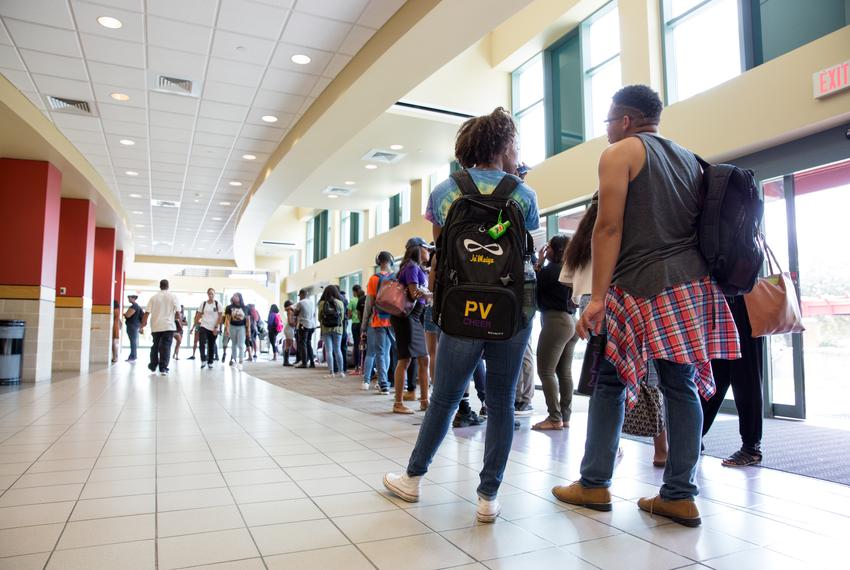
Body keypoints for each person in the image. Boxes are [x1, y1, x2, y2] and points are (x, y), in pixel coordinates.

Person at [552, 85, 740, 528]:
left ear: (624, 120)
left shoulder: (621, 153)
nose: (606, 131)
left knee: (611, 382)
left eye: (607, 122)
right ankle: (679, 494)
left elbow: (608, 226)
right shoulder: (689, 158)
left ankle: (595, 483)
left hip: (639, 286)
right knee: (681, 385)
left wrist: (597, 298)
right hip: (690, 284)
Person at [383, 107, 540, 523]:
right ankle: (488, 497)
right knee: (503, 399)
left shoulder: (445, 191)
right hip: (513, 309)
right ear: (505, 145)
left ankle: (413, 479)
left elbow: (442, 257)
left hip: (462, 308)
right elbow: (528, 252)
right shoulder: (523, 194)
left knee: (447, 397)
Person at [563, 193, 668, 465]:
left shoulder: (583, 237)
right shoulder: (618, 228)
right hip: (618, 300)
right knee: (649, 377)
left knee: (607, 382)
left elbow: (569, 280)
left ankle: (607, 450)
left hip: (590, 305)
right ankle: (661, 449)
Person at [701, 296, 766, 466]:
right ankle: (694, 436)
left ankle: (751, 447)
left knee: (746, 380)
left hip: (744, 306)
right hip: (722, 307)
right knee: (714, 377)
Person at [532, 235, 579, 430]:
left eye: (549, 246)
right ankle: (564, 417)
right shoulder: (570, 270)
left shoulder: (550, 271)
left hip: (555, 322)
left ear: (556, 250)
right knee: (564, 372)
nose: (546, 249)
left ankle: (554, 417)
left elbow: (531, 288)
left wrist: (539, 263)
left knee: (545, 371)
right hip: (571, 323)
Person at [390, 239, 432, 414]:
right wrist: (431, 293)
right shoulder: (412, 267)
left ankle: (425, 401)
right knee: (406, 359)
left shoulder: (414, 267)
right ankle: (398, 403)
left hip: (412, 317)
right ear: (418, 249)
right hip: (408, 317)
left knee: (422, 359)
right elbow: (414, 294)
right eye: (426, 249)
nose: (429, 252)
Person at [360, 252, 395, 393]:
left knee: (380, 353)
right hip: (394, 321)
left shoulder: (374, 279)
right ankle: (387, 381)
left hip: (379, 320)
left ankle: (384, 384)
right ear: (391, 261)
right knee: (387, 352)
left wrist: (363, 327)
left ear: (378, 262)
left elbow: (369, 305)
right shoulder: (396, 277)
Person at [141, 279, 180, 375]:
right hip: (168, 326)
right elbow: (178, 313)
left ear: (160, 286)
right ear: (168, 286)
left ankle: (153, 365)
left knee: (155, 345)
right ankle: (163, 368)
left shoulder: (154, 297)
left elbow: (147, 312)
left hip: (156, 326)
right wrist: (177, 320)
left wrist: (143, 324)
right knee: (166, 346)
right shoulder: (173, 296)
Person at [318, 286, 346, 377]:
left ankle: (331, 372)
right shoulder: (340, 302)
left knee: (329, 351)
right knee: (338, 350)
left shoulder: (322, 303)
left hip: (325, 329)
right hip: (338, 329)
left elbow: (319, 318)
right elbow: (341, 318)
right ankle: (341, 372)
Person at [195, 288, 221, 369]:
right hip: (204, 326)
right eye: (209, 293)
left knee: (211, 344)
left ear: (214, 294)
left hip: (214, 327)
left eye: (212, 294)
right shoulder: (203, 304)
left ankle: (210, 361)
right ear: (207, 294)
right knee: (202, 342)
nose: (211, 295)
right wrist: (196, 323)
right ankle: (203, 360)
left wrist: (216, 327)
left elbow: (220, 317)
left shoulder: (217, 304)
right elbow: (198, 315)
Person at [224, 292, 250, 368]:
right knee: (234, 344)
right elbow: (228, 319)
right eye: (233, 296)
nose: (234, 297)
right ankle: (234, 360)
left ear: (240, 297)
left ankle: (241, 361)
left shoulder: (245, 308)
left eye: (236, 296)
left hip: (242, 327)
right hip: (232, 327)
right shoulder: (229, 307)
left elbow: (248, 320)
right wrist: (227, 329)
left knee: (241, 344)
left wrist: (248, 330)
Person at [294, 289, 317, 368]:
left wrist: (293, 309)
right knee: (308, 343)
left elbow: (295, 313)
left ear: (302, 294)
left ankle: (304, 363)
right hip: (311, 325)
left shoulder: (300, 303)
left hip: (303, 324)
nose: (299, 297)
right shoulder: (311, 302)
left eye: (299, 295)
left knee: (303, 344)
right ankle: (312, 362)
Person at [350, 285, 364, 374]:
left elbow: (349, 315)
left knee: (356, 345)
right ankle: (363, 367)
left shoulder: (353, 300)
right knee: (363, 345)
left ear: (354, 292)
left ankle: (356, 368)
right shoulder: (364, 299)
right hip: (363, 324)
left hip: (355, 324)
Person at [123, 294, 142, 362]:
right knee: (133, 341)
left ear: (133, 298)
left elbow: (128, 315)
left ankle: (132, 356)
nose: (128, 299)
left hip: (132, 326)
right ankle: (133, 356)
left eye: (129, 298)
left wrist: (124, 314)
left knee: (133, 342)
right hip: (135, 326)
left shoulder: (134, 306)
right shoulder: (138, 306)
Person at [282, 300, 297, 366]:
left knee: (288, 345)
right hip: (289, 329)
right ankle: (286, 361)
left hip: (289, 329)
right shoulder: (289, 311)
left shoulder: (290, 311)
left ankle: (286, 361)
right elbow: (290, 322)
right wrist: (296, 324)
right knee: (288, 345)